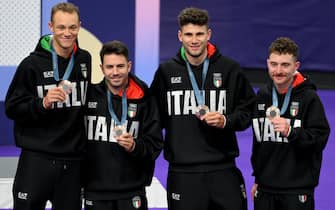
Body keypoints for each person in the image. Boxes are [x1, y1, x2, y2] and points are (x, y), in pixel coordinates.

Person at [150, 7, 255, 210]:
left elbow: (249, 111)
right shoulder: (166, 72)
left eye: (199, 34)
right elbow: (153, 118)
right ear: (180, 36)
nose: (194, 40)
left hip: (223, 168)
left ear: (209, 34)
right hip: (183, 172)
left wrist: (226, 120)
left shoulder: (229, 69)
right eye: (189, 34)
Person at [5, 2, 91, 210]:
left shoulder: (84, 59)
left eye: (72, 27)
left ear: (79, 26)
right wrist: (41, 103)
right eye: (61, 27)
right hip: (37, 159)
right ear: (51, 27)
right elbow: (12, 107)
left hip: (72, 161)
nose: (67, 33)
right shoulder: (31, 65)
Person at [250, 37, 330, 210]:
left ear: (296, 66)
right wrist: (258, 179)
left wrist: (291, 131)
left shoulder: (309, 98)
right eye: (274, 64)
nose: (278, 71)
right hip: (265, 189)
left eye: (285, 65)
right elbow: (259, 141)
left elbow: (319, 139)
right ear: (267, 64)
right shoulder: (263, 96)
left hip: (296, 190)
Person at [83, 40, 163, 210]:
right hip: (95, 191)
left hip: (132, 191)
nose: (115, 72)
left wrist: (135, 146)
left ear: (129, 66)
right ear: (101, 68)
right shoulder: (88, 96)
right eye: (110, 67)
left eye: (120, 66)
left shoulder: (144, 99)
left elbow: (155, 143)